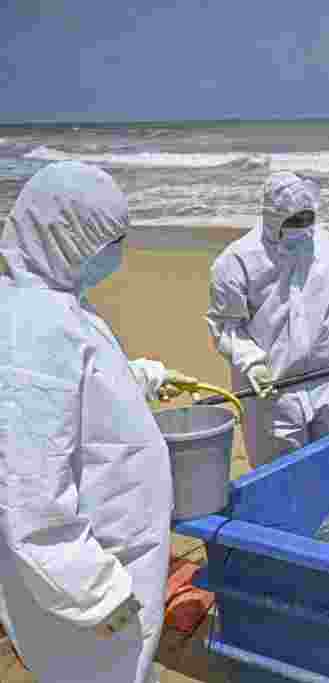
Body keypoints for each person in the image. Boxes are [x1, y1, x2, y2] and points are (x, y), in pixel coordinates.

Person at [0, 161, 198, 682]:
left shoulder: (55, 310)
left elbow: (77, 395)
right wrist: (98, 593)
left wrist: (144, 378)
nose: (114, 253)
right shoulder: (34, 332)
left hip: (103, 577)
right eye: (105, 239)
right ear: (65, 236)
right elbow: (28, 494)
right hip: (87, 601)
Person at [207, 171, 329, 468]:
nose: (303, 227)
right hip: (273, 393)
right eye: (293, 221)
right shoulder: (237, 261)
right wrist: (252, 364)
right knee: (283, 471)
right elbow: (226, 326)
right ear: (272, 217)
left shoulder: (327, 245)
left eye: (308, 218)